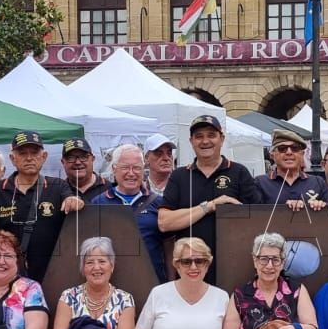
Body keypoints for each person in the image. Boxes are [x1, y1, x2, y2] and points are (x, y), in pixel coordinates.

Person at [157, 114, 262, 282]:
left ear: (222, 138)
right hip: (190, 268)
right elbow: (164, 223)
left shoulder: (239, 173)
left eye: (211, 135)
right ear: (191, 141)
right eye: (199, 136)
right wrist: (209, 206)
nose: (205, 141)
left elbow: (258, 220)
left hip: (234, 267)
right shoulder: (179, 176)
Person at [0, 132, 83, 283]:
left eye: (34, 153)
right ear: (12, 158)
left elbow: (71, 200)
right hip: (8, 276)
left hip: (52, 275)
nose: (29, 158)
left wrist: (74, 200)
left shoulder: (58, 186)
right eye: (22, 153)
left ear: (44, 157)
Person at [91, 144, 166, 281]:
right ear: (114, 169)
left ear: (144, 170)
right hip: (111, 283)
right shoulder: (98, 203)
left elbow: (168, 245)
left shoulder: (158, 203)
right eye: (125, 167)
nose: (131, 173)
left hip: (151, 280)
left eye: (137, 168)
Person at [256, 129, 328, 210]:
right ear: (272, 155)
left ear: (302, 154)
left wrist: (320, 207)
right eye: (282, 148)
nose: (289, 152)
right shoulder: (260, 183)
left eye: (295, 148)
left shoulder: (318, 182)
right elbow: (253, 215)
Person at [61, 138, 109, 203]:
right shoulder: (59, 191)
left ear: (92, 159)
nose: (77, 162)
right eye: (71, 158)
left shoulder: (109, 187)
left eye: (83, 157)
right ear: (63, 162)